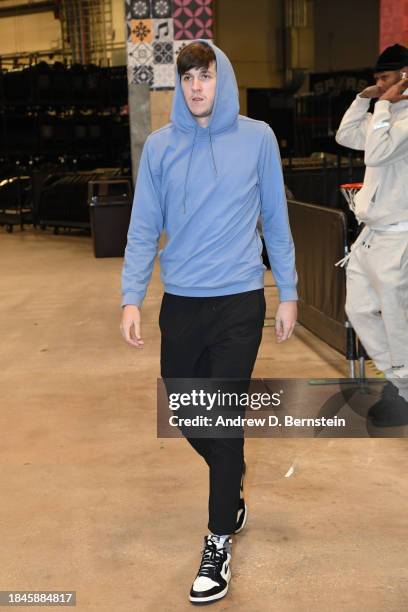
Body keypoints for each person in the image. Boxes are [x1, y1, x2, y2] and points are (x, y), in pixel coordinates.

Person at [120, 40, 298, 604]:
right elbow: (144, 224)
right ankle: (233, 481)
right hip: (183, 302)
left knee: (220, 417)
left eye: (207, 76)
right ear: (180, 84)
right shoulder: (160, 147)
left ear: (224, 80)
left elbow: (275, 217)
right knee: (184, 409)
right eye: (189, 77)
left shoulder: (258, 138)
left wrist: (288, 291)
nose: (198, 86)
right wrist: (131, 296)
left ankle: (218, 539)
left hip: (240, 301)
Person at [336, 43, 408, 426]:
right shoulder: (385, 113)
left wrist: (382, 107)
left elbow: (376, 153)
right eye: (376, 79)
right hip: (371, 235)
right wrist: (364, 98)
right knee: (358, 309)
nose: (379, 85)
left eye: (385, 78)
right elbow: (346, 135)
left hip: (400, 236)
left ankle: (403, 390)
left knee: (398, 319)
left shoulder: (403, 119)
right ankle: (402, 384)